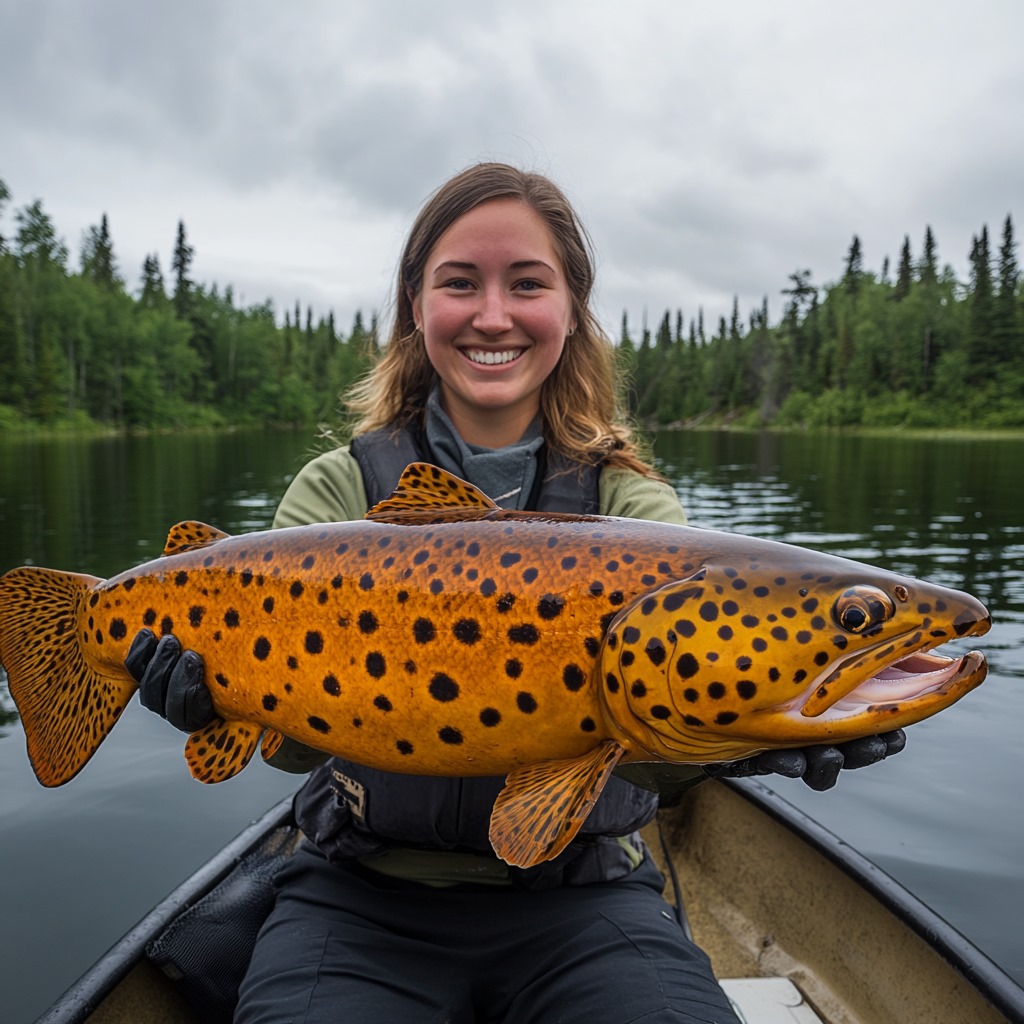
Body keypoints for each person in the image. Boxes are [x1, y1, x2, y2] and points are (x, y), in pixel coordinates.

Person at [126, 162, 905, 1023]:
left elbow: (654, 753)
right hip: (355, 895)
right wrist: (224, 706)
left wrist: (737, 743)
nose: (492, 314)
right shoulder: (333, 494)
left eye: (527, 284)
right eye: (460, 283)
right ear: (415, 307)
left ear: (571, 312)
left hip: (588, 900)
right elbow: (289, 753)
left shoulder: (635, 508)